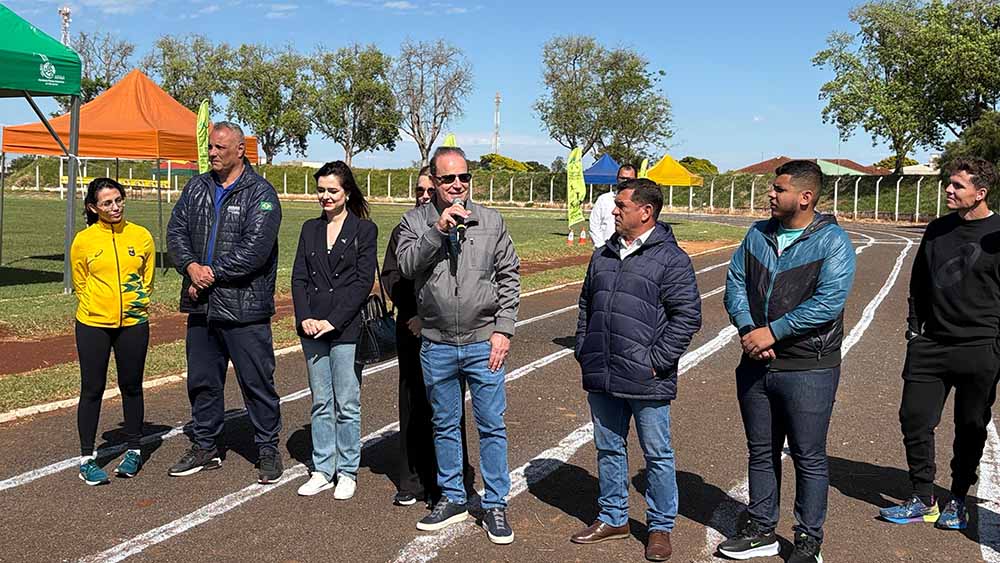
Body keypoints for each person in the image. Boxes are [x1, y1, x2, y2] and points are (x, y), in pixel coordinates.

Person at [720, 160, 856, 563]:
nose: (771, 194)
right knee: (760, 450)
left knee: (808, 455)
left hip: (809, 366)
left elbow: (829, 302)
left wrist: (774, 331)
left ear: (805, 197)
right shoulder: (757, 234)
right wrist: (749, 330)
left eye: (778, 189)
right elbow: (735, 284)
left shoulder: (832, 241)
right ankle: (761, 528)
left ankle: (808, 539)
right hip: (756, 361)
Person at [571, 178, 702, 561]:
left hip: (646, 377)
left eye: (621, 206)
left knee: (656, 453)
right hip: (603, 369)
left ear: (646, 212)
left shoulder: (671, 258)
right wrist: (585, 347)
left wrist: (656, 362)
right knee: (608, 447)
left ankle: (660, 527)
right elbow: (585, 305)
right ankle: (613, 517)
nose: (613, 211)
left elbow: (687, 317)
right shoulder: (603, 254)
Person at [396, 146, 521, 544]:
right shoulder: (415, 221)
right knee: (444, 424)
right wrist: (440, 230)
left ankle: (497, 503)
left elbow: (509, 276)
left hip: (484, 341)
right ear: (432, 181)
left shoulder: (492, 221)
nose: (457, 185)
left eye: (463, 177)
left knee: (491, 425)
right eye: (448, 178)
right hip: (437, 344)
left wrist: (504, 329)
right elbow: (407, 266)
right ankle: (453, 496)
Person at [879, 157, 1000, 531]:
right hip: (931, 344)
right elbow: (918, 283)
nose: (948, 190)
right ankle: (922, 496)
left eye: (958, 185)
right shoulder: (937, 230)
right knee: (914, 418)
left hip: (980, 347)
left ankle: (958, 498)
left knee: (970, 426)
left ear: (980, 193)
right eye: (949, 183)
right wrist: (915, 331)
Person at [166, 121, 284, 484]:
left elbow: (255, 251)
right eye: (211, 147)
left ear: (240, 150)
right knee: (202, 380)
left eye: (220, 148)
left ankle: (267, 448)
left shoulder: (261, 194)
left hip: (243, 307)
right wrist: (189, 266)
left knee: (256, 381)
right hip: (202, 306)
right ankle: (205, 446)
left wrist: (210, 273)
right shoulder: (197, 187)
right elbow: (176, 232)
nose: (213, 153)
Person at [382, 166, 475, 508]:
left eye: (427, 190)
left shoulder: (461, 224)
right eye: (419, 190)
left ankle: (449, 480)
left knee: (448, 409)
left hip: (446, 331)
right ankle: (411, 478)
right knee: (413, 403)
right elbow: (394, 276)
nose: (424, 196)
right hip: (412, 327)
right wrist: (413, 315)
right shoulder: (406, 226)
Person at [291, 161, 377, 499]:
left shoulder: (364, 231)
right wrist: (305, 317)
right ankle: (323, 468)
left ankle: (347, 471)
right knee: (321, 402)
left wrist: (333, 320)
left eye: (332, 190)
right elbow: (298, 278)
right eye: (321, 190)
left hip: (345, 329)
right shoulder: (309, 229)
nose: (325, 196)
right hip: (312, 329)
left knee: (347, 402)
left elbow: (362, 282)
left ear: (347, 192)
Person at [71, 178, 155, 485]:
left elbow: (146, 279)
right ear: (93, 208)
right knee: (92, 389)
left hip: (133, 323)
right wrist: (98, 306)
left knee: (131, 385)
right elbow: (80, 281)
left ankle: (134, 449)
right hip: (93, 323)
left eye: (118, 199)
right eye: (107, 203)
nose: (115, 207)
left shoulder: (141, 236)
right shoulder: (84, 240)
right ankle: (86, 458)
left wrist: (134, 306)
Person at [589, 164, 637, 248]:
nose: (625, 181)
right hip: (606, 249)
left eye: (629, 179)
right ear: (617, 178)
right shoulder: (604, 199)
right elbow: (594, 225)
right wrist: (601, 246)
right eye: (622, 178)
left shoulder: (639, 200)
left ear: (636, 180)